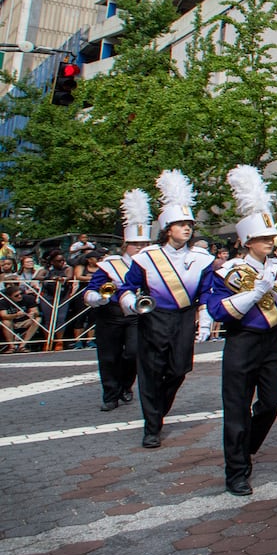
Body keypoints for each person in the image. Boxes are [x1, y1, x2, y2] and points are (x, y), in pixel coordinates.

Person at [205, 165, 277, 496]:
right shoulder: (228, 271)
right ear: (247, 241)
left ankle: (245, 448)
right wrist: (253, 294)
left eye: (271, 238)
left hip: (272, 343)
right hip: (241, 342)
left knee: (271, 403)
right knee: (236, 407)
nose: (270, 243)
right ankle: (236, 471)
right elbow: (217, 311)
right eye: (263, 239)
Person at [118, 170, 217, 449]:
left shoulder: (201, 259)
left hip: (184, 319)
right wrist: (131, 304)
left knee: (179, 369)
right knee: (150, 370)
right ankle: (151, 427)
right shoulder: (148, 258)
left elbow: (206, 294)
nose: (187, 228)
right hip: (154, 319)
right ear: (167, 228)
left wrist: (206, 322)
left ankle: (157, 410)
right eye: (181, 224)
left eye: (189, 224)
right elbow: (127, 288)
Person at [83, 190, 149, 410]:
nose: (140, 248)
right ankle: (110, 394)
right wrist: (100, 298)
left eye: (144, 244)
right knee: (108, 356)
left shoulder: (151, 264)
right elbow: (91, 291)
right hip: (110, 315)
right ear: (125, 245)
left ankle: (125, 385)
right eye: (135, 244)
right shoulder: (110, 264)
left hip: (135, 316)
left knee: (133, 353)